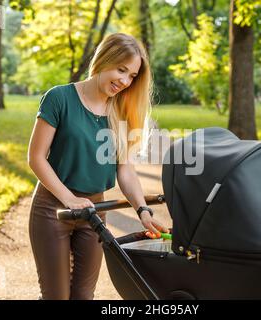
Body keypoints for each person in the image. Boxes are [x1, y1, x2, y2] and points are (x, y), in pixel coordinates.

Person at [27, 32, 169, 300]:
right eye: (121, 70)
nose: (125, 81)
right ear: (105, 59)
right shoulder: (59, 98)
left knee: (83, 295)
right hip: (53, 209)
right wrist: (69, 199)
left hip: (94, 212)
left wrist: (143, 210)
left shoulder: (121, 111)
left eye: (132, 76)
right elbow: (36, 157)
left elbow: (124, 169)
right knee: (56, 296)